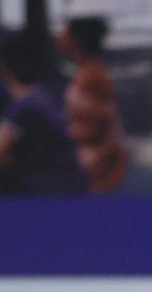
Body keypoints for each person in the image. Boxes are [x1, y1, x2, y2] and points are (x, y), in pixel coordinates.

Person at [0, 31, 84, 195]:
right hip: (69, 188)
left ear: (2, 68)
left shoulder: (23, 107)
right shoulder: (39, 96)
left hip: (52, 195)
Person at [57, 15, 123, 192]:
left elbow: (90, 127)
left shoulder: (90, 77)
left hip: (93, 169)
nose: (59, 39)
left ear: (76, 41)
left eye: (65, 34)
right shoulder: (92, 72)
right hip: (94, 165)